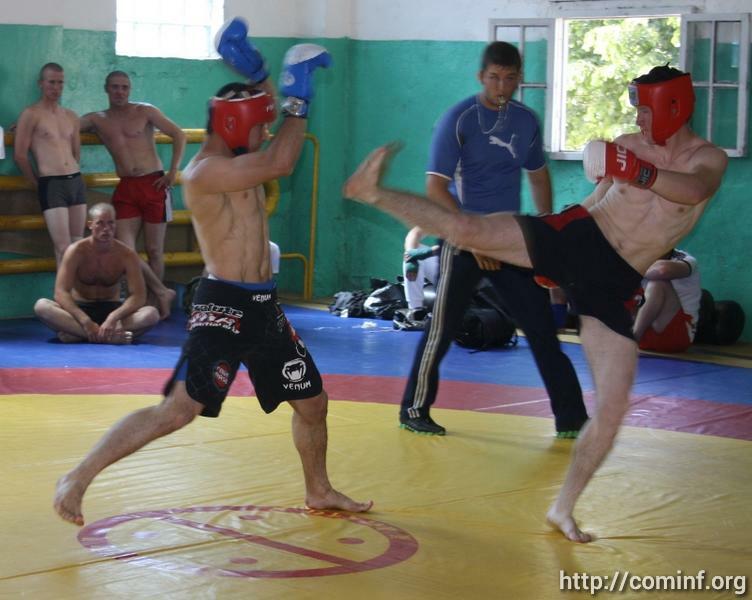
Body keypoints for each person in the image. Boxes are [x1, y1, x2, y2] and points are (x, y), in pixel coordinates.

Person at [344, 65, 727, 542]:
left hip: (615, 282)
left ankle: (563, 509)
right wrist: (551, 249)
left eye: (647, 111)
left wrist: (635, 169)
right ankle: (372, 192)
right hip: (581, 237)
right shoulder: (628, 145)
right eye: (638, 110)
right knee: (468, 232)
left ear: (674, 106)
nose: (639, 120)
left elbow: (695, 189)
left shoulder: (705, 159)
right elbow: (595, 201)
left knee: (612, 408)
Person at [53, 21, 371, 527]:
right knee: (178, 410)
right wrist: (298, 94)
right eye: (257, 125)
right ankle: (78, 476)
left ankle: (319, 488)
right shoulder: (207, 171)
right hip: (224, 305)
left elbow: (266, 128)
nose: (266, 130)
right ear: (235, 125)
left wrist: (260, 73)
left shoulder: (240, 154)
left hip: (263, 306)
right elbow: (284, 160)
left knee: (312, 402)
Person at [396, 42, 588, 438]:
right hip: (463, 240)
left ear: (519, 79)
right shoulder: (459, 119)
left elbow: (538, 176)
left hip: (510, 239)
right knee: (442, 328)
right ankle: (414, 408)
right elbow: (435, 188)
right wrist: (474, 240)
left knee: (541, 328)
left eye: (510, 78)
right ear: (481, 77)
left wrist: (546, 232)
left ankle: (572, 418)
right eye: (494, 78)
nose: (501, 87)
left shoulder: (526, 120)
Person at [80, 71, 185, 313]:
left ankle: (155, 303)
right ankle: (159, 292)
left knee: (154, 250)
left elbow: (178, 134)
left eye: (124, 87)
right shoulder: (97, 119)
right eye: (115, 87)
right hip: (127, 187)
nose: (120, 92)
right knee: (125, 250)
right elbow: (64, 125)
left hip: (154, 184)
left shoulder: (145, 111)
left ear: (130, 90)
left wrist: (173, 172)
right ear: (106, 89)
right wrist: (26, 126)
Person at [34, 202, 159, 343]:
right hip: (80, 310)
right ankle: (108, 336)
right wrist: (85, 321)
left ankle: (80, 334)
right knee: (42, 306)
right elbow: (61, 292)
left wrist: (114, 317)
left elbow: (139, 296)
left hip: (112, 309)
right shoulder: (76, 251)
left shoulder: (127, 254)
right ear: (90, 225)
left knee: (151, 314)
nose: (106, 229)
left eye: (111, 223)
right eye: (100, 223)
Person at [13, 63, 86, 265]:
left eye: (60, 83)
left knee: (77, 245)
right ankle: (63, 286)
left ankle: (73, 286)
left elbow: (76, 153)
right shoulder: (31, 114)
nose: (56, 87)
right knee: (63, 248)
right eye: (51, 82)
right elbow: (20, 155)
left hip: (75, 181)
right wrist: (37, 183)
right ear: (41, 84)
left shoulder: (71, 116)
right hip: (51, 183)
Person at [633, 248, 701, 353]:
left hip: (676, 335)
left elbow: (662, 270)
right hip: (645, 334)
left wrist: (631, 269)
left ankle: (632, 339)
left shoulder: (685, 259)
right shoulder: (639, 257)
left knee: (658, 284)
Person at [402, 226, 439, 317]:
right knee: (415, 250)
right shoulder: (447, 218)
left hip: (469, 277)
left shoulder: (470, 220)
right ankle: (415, 311)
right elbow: (415, 233)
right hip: (447, 269)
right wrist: (411, 256)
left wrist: (427, 252)